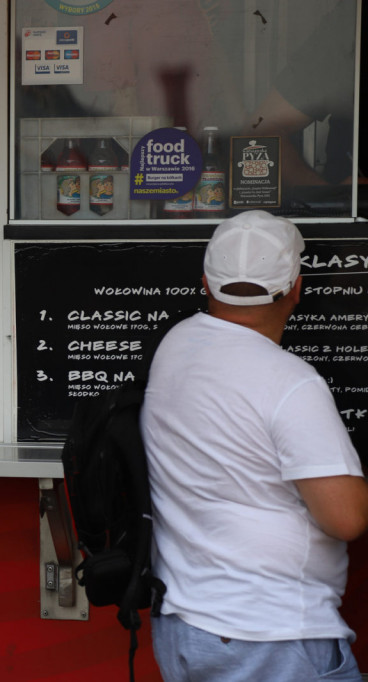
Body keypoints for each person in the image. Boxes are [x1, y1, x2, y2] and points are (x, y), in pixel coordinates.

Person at [140, 210, 368, 681]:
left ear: (206, 283)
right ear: (296, 290)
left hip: (185, 624)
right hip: (266, 634)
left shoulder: (175, 346)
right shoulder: (291, 382)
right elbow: (345, 518)